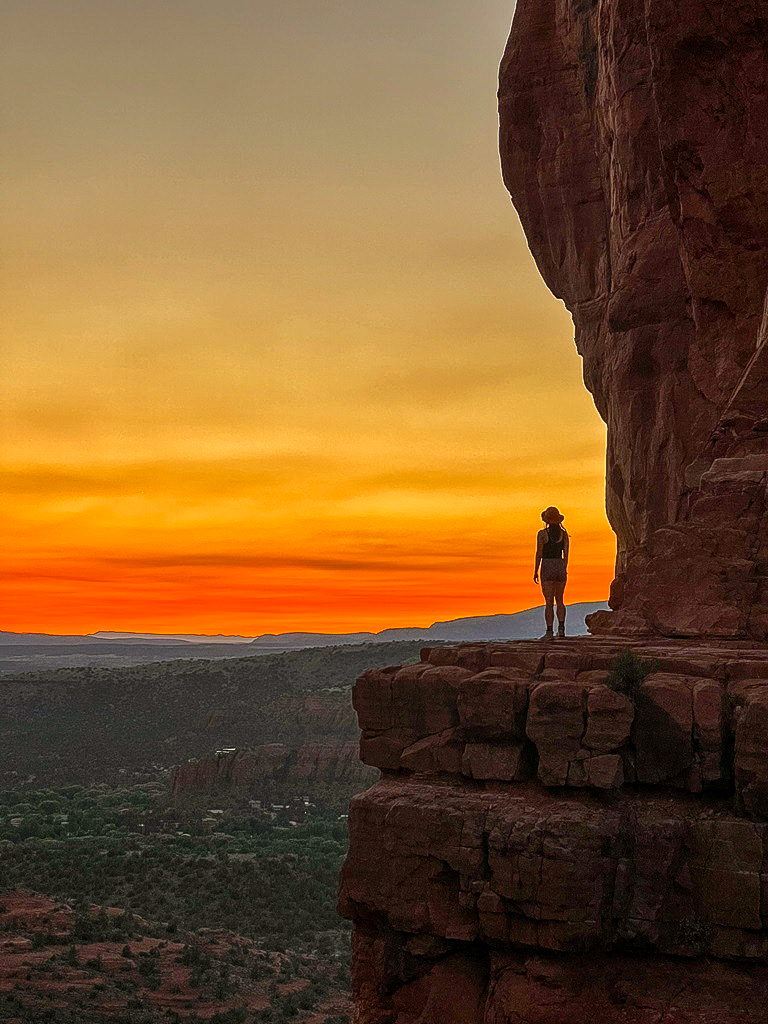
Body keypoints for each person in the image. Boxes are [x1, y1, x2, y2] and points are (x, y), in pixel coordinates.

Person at [533, 506, 569, 639]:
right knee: (560, 600)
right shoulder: (563, 535)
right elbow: (566, 554)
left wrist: (536, 570)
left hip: (547, 565)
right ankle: (561, 629)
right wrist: (563, 568)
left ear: (547, 520)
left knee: (549, 601)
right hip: (559, 565)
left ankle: (549, 631)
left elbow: (539, 554)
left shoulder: (542, 534)